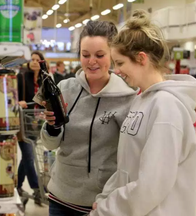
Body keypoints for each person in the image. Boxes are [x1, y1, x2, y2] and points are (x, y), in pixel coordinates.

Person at [90, 10, 196, 216]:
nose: (116, 71)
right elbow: (128, 167)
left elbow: (152, 184)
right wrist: (106, 198)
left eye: (120, 63)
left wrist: (107, 209)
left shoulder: (167, 106)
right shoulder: (141, 99)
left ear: (141, 58)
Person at [40, 20, 137, 215]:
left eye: (100, 55)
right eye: (85, 55)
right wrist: (52, 127)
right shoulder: (66, 89)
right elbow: (50, 145)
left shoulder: (128, 98)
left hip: (100, 204)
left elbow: (130, 157)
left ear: (113, 55)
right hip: (60, 198)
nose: (92, 61)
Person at [17, 51, 47, 206]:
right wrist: (18, 101)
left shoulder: (44, 79)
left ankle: (17, 185)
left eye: (38, 59)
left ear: (42, 62)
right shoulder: (21, 77)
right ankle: (36, 188)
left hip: (36, 123)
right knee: (29, 155)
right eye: (32, 59)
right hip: (23, 122)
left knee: (27, 156)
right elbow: (12, 96)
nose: (35, 62)